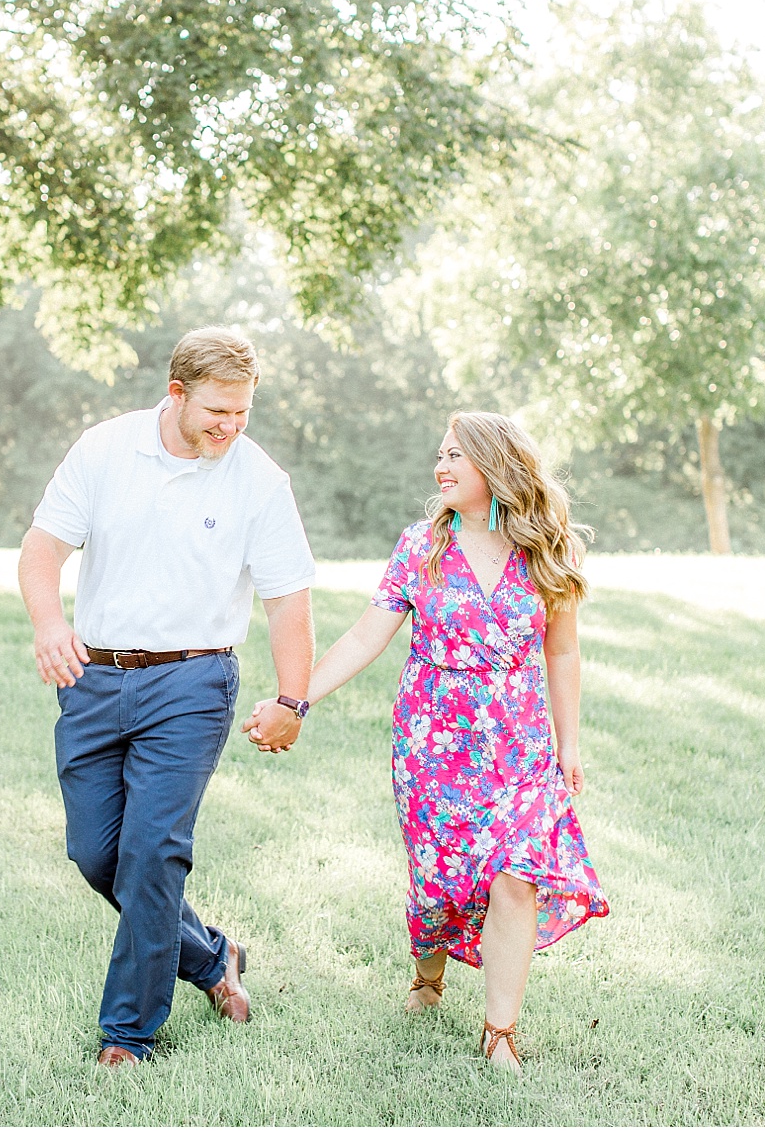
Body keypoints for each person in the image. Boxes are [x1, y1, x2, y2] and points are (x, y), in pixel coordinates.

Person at [244, 410, 607, 1071]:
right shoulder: (420, 546)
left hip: (519, 747)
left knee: (515, 877)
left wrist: (569, 742)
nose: (440, 467)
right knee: (440, 880)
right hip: (432, 743)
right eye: (439, 454)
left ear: (495, 465)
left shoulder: (549, 549)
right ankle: (428, 976)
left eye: (455, 456)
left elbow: (564, 650)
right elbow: (363, 636)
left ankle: (500, 1032)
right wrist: (294, 698)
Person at [18, 325, 317, 1070]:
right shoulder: (105, 449)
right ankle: (214, 958)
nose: (231, 426)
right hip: (93, 675)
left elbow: (288, 601)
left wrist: (293, 700)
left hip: (193, 679)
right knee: (97, 853)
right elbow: (41, 548)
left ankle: (128, 1034)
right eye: (218, 411)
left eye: (243, 412)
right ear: (176, 392)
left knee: (153, 853)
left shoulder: (258, 479)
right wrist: (50, 622)